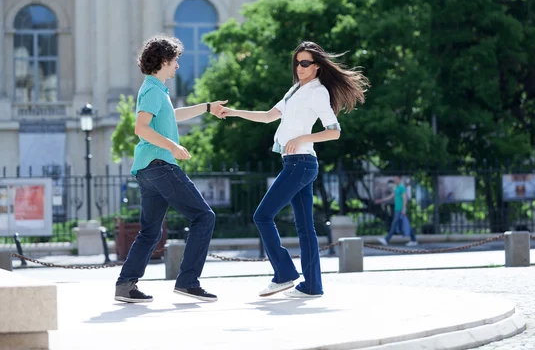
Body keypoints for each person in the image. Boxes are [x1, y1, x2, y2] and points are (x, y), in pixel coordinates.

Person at [221, 41, 370, 298]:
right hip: (296, 163)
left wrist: (303, 138)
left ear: (317, 66)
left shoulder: (317, 92)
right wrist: (233, 112)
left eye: (305, 63)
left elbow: (334, 132)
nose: (300, 67)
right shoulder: (294, 91)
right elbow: (268, 116)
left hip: (301, 163)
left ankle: (284, 274)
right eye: (297, 63)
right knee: (305, 228)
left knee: (262, 216)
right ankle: (312, 286)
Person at [114, 35, 227, 303]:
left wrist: (208, 107)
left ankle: (125, 285)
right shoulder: (152, 90)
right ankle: (188, 281)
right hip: (160, 165)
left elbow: (172, 115)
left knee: (150, 231)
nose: (178, 66)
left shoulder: (156, 90)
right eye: (175, 60)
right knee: (204, 217)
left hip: (147, 169)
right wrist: (172, 147)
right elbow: (140, 128)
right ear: (164, 61)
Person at [375, 176, 418, 247]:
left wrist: (404, 209)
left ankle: (386, 239)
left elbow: (405, 198)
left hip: (400, 210)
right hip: (397, 209)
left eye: (396, 179)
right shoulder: (397, 188)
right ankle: (413, 240)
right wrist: (381, 200)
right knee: (406, 225)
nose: (394, 181)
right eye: (394, 180)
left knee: (395, 224)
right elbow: (390, 197)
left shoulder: (402, 187)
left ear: (399, 179)